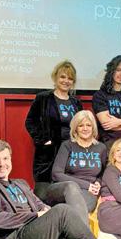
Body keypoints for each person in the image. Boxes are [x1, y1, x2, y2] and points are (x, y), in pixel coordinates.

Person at [25, 60, 83, 200]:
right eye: (63, 77)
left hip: (71, 153)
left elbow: (81, 125)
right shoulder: (43, 98)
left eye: (70, 78)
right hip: (49, 154)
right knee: (43, 195)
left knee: (67, 192)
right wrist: (43, 140)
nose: (66, 81)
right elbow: (30, 121)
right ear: (55, 77)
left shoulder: (76, 103)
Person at [49, 110, 107, 221]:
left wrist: (98, 182)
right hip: (63, 188)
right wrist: (87, 185)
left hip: (88, 192)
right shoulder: (67, 145)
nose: (85, 128)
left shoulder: (101, 148)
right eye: (81, 125)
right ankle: (83, 232)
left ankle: (72, 229)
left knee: (78, 208)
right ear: (75, 128)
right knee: (72, 187)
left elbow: (104, 172)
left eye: (88, 125)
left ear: (93, 127)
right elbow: (56, 174)